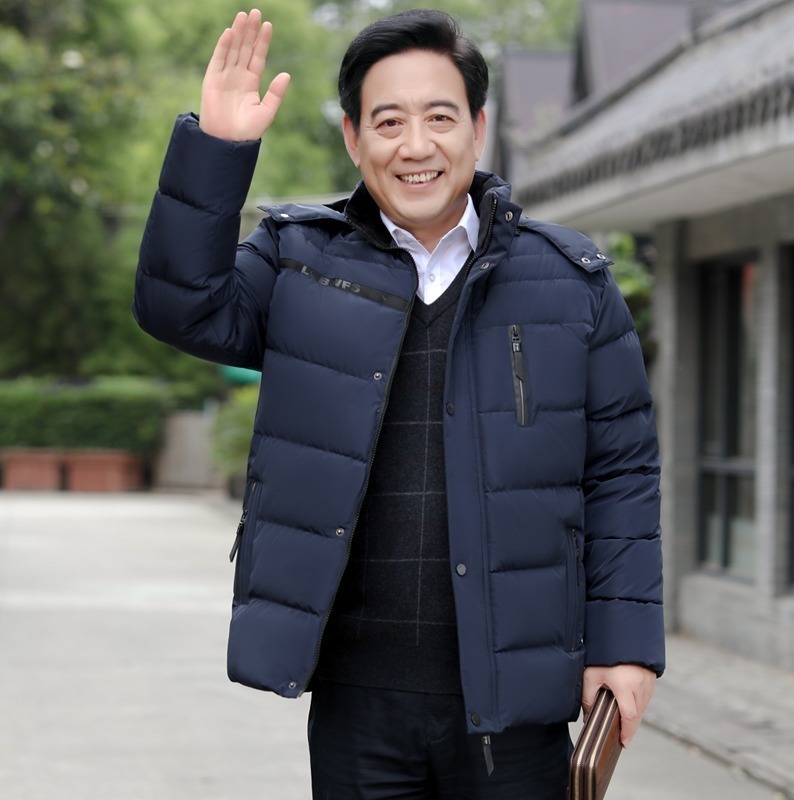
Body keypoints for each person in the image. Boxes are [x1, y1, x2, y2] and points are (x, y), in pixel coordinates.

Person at [134, 8, 664, 798]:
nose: (416, 146)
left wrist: (624, 645)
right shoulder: (298, 261)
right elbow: (179, 307)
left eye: (439, 117)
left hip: (514, 703)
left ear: (478, 128)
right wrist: (218, 150)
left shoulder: (571, 282)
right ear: (354, 138)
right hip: (357, 700)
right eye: (388, 122)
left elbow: (622, 474)